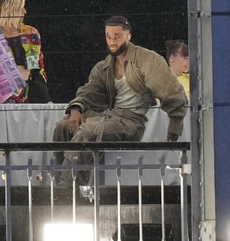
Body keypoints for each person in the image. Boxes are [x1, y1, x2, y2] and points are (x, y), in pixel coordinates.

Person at [53, 16, 186, 180]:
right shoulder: (104, 67)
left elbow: (171, 91)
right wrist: (76, 107)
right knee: (62, 127)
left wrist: (175, 125)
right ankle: (62, 181)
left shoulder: (147, 60)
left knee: (87, 131)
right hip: (107, 116)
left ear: (128, 36)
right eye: (108, 36)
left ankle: (67, 184)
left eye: (117, 36)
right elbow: (90, 90)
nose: (112, 41)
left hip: (131, 121)